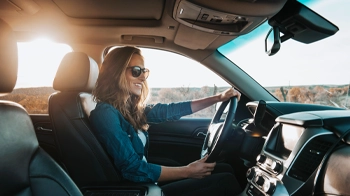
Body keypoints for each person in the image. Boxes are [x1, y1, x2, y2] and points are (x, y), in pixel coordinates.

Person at [90, 46, 242, 196]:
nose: (143, 77)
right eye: (136, 71)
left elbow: (170, 110)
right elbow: (132, 169)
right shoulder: (105, 114)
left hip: (147, 182)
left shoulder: (129, 110)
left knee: (224, 168)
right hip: (137, 189)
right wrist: (188, 171)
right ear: (116, 73)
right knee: (225, 180)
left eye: (144, 71)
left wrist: (218, 98)